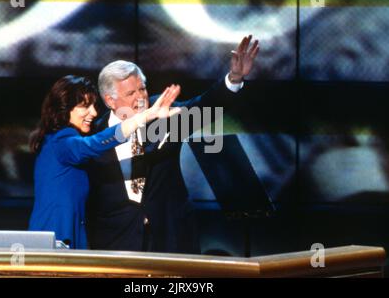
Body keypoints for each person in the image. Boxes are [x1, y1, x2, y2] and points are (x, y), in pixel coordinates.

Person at [86, 35, 259, 253]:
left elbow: (204, 107)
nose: (141, 97)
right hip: (117, 238)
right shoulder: (94, 134)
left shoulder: (165, 114)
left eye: (142, 89)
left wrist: (234, 78)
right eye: (131, 93)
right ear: (110, 100)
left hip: (170, 234)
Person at [28, 75, 181, 249]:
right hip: (56, 236)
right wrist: (145, 116)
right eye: (84, 106)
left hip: (72, 236)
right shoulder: (61, 140)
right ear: (64, 108)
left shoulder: (56, 140)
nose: (93, 113)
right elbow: (94, 144)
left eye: (94, 106)